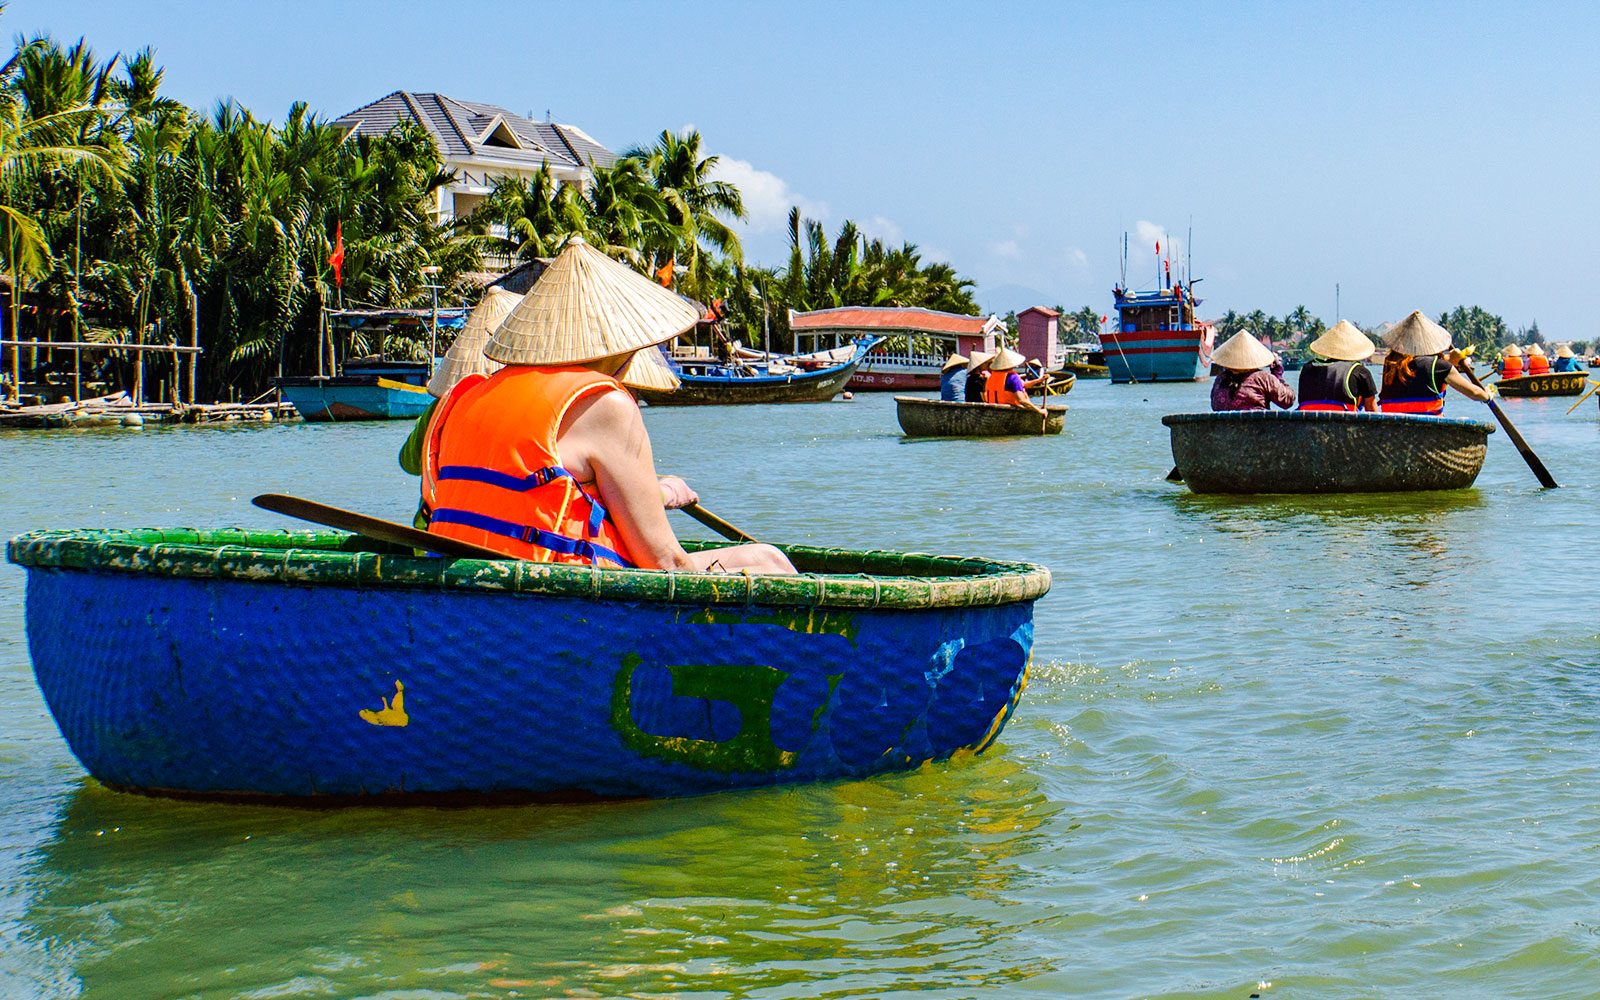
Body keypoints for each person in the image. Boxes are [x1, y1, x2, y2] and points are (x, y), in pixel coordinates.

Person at [425, 238, 796, 575]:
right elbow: (664, 561)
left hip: (462, 582)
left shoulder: (467, 395)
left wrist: (660, 493)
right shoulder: (604, 403)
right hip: (556, 592)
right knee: (767, 560)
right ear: (626, 343)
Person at [399, 287, 519, 527]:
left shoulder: (440, 408)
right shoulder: (528, 408)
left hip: (436, 530)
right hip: (500, 535)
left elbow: (410, 464)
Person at [1377, 310, 1492, 414]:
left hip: (1393, 429)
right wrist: (1487, 395)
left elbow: (1418, 366)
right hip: (1429, 430)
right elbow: (1474, 393)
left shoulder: (1391, 365)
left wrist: (1449, 360)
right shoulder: (1440, 367)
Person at [1298, 320, 1378, 412]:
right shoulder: (1360, 372)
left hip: (1310, 426)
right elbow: (1373, 414)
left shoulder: (1307, 369)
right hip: (1346, 426)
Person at [1209, 331, 1295, 410]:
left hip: (1224, 426)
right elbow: (1287, 401)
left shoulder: (1220, 380)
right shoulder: (1263, 378)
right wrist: (1278, 376)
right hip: (1257, 426)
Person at [983, 347, 1045, 414]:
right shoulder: (1013, 378)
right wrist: (1039, 411)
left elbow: (1023, 385)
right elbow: (1022, 400)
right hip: (1010, 414)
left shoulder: (992, 377)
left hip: (993, 413)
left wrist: (1039, 380)